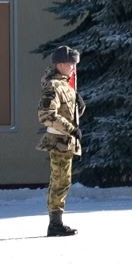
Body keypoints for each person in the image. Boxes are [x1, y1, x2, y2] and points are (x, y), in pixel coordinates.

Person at [36, 45, 85, 237]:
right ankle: (55, 224)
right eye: (71, 64)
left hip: (65, 140)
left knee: (63, 181)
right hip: (58, 140)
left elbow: (68, 112)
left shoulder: (64, 85)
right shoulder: (53, 86)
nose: (74, 67)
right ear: (61, 64)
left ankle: (56, 222)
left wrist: (79, 105)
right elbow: (47, 115)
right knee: (60, 181)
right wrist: (71, 129)